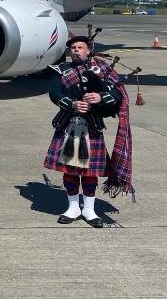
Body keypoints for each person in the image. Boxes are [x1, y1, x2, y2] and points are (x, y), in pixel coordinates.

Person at [45, 36, 130, 228]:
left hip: (92, 125)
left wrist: (100, 97)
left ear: (88, 49)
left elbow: (117, 93)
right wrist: (73, 104)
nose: (76, 50)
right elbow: (54, 93)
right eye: (73, 48)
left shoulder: (101, 70)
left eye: (80, 47)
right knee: (70, 169)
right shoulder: (62, 70)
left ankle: (89, 210)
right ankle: (73, 207)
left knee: (90, 171)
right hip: (68, 123)